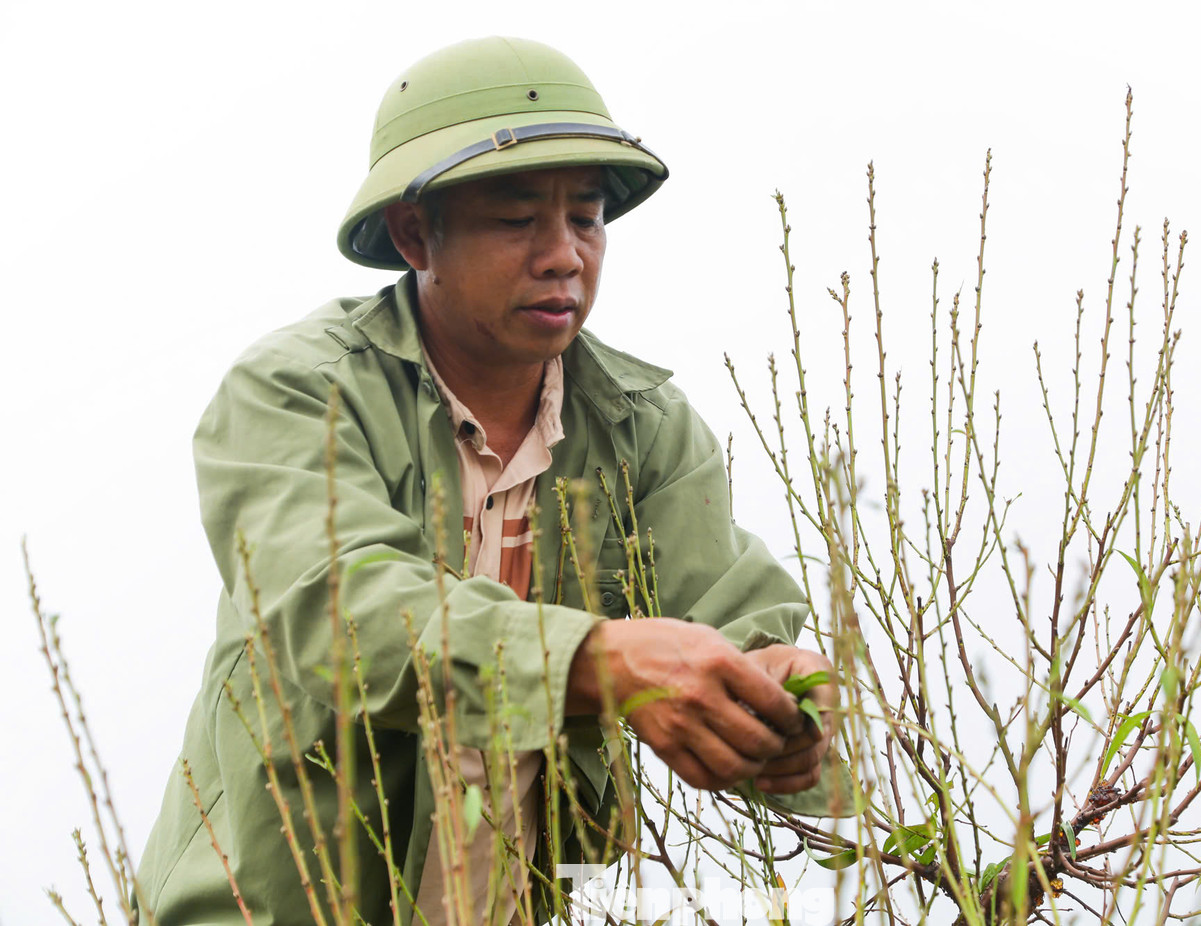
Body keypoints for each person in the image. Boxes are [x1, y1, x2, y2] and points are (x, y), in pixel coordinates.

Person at [135, 36, 837, 925]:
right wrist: (600, 660)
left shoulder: (642, 428)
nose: (563, 256)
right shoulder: (300, 390)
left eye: (586, 218)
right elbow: (339, 609)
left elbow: (735, 621)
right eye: (516, 221)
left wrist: (784, 705)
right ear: (414, 231)